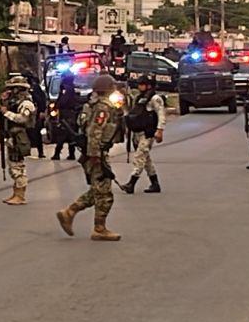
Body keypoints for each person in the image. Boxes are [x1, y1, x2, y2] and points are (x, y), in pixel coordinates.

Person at [57, 74, 125, 241]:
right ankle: (98, 228)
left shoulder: (91, 106)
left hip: (95, 153)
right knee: (105, 194)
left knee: (99, 189)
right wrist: (95, 155)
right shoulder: (102, 108)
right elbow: (95, 131)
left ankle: (70, 212)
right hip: (96, 153)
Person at [118, 74, 166, 194]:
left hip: (148, 133)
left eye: (142, 84)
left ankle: (131, 183)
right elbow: (133, 114)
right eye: (139, 84)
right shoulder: (139, 98)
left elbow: (161, 114)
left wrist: (160, 130)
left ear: (148, 85)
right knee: (146, 159)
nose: (140, 86)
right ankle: (155, 184)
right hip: (138, 133)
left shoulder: (155, 98)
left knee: (139, 157)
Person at [0, 73, 37, 205]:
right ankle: (16, 193)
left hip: (20, 136)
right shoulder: (15, 102)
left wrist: (7, 113)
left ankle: (20, 195)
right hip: (12, 136)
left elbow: (22, 119)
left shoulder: (26, 103)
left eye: (14, 89)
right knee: (13, 165)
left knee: (18, 166)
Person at [50, 73, 83, 161]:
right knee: (71, 133)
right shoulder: (72, 87)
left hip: (66, 113)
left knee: (63, 132)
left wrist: (57, 105)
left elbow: (63, 100)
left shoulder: (66, 88)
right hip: (71, 113)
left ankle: (57, 153)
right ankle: (71, 153)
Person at [24, 70, 48, 157]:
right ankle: (26, 151)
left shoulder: (35, 87)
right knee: (26, 133)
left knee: (37, 132)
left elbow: (41, 99)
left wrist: (42, 111)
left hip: (35, 112)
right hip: (24, 113)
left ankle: (40, 152)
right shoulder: (21, 89)